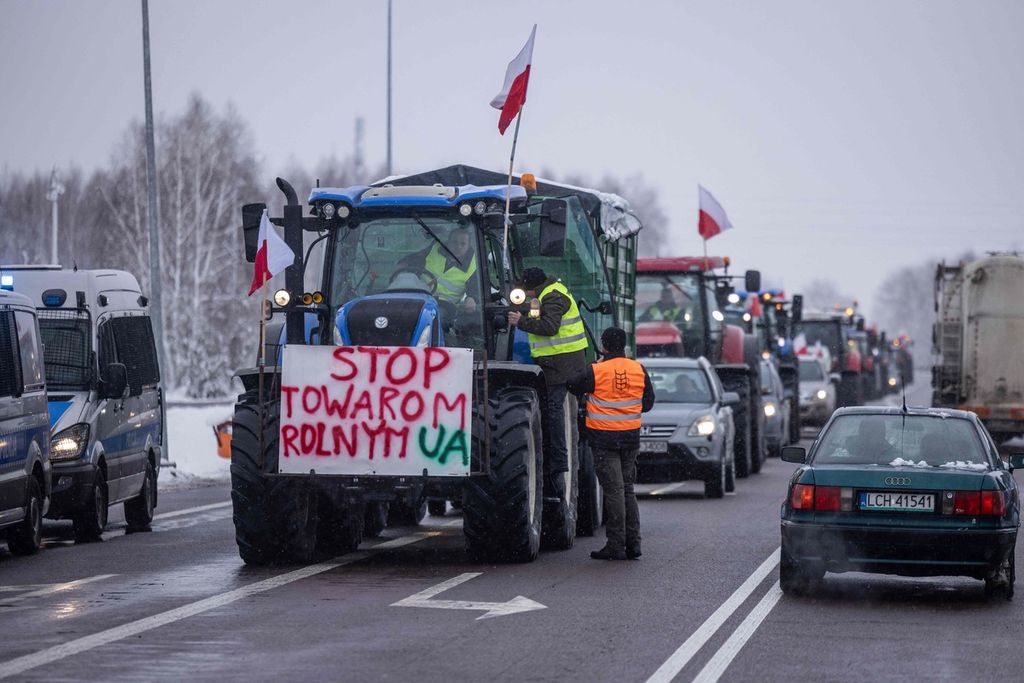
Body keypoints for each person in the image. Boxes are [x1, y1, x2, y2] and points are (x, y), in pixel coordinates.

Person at [568, 327, 655, 560]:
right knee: (627, 489)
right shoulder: (638, 369)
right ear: (624, 345)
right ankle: (633, 543)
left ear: (604, 345)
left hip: (604, 439)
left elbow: (571, 384)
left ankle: (616, 545)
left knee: (614, 491)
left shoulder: (596, 370)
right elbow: (648, 403)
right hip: (630, 439)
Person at [507, 267, 589, 501]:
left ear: (531, 287)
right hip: (555, 363)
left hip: (562, 366)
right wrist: (526, 311)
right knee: (550, 413)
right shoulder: (542, 296)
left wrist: (519, 321)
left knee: (554, 414)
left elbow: (549, 327)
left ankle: (558, 470)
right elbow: (537, 317)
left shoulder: (553, 296)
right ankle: (555, 467)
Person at [398, 227, 479, 312]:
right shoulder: (434, 248)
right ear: (448, 242)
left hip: (447, 306)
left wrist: (472, 298)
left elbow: (476, 289)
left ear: (468, 246)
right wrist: (404, 264)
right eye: (454, 242)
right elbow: (414, 259)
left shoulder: (474, 265)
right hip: (420, 297)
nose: (458, 247)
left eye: (463, 244)